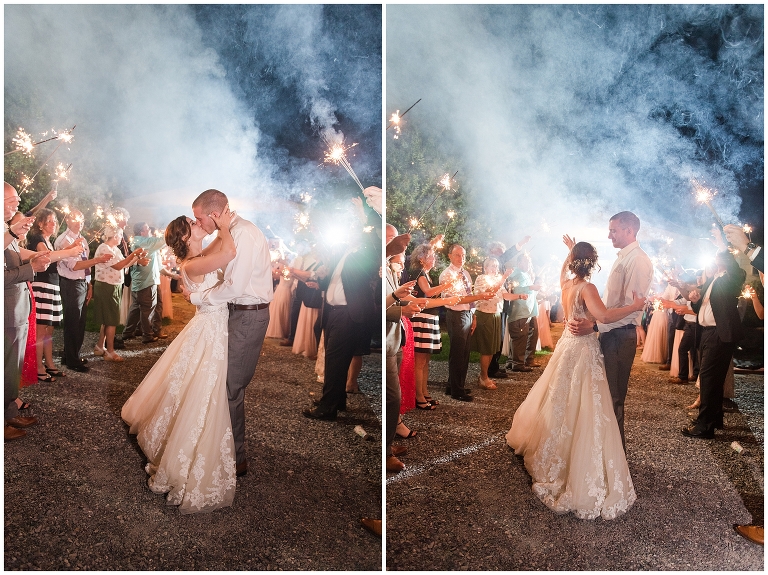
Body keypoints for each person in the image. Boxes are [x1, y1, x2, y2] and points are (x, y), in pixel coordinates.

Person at [507, 240, 646, 519]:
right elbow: (604, 315)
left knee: (560, 399)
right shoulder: (588, 288)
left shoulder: (566, 285)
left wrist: (568, 252)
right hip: (582, 348)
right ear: (593, 263)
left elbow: (563, 273)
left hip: (566, 346)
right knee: (583, 404)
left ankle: (556, 450)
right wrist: (636, 306)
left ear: (572, 262)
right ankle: (576, 461)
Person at [122, 209, 238, 513]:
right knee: (203, 390)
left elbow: (217, 248)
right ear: (184, 237)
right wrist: (225, 225)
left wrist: (219, 227)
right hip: (210, 330)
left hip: (210, 327)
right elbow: (229, 250)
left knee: (194, 386)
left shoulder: (196, 255)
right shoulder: (194, 263)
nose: (197, 222)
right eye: (191, 223)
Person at [183, 189, 273, 477]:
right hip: (234, 314)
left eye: (198, 217)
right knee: (222, 383)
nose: (198, 223)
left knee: (231, 387)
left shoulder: (243, 233)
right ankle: (221, 447)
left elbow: (234, 287)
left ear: (213, 214)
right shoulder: (228, 233)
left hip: (248, 316)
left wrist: (197, 299)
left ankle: (236, 458)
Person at [566, 211, 653, 450]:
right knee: (602, 395)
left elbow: (630, 309)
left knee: (613, 398)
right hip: (610, 332)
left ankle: (616, 459)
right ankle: (603, 452)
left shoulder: (637, 260)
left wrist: (595, 325)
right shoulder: (624, 257)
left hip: (620, 334)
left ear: (629, 230)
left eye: (614, 230)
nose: (609, 234)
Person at [682, 248, 745, 439]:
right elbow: (703, 305)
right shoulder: (713, 279)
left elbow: (735, 270)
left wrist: (723, 249)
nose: (715, 258)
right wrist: (694, 300)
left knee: (709, 379)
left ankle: (704, 426)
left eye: (719, 255)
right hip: (707, 333)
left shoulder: (733, 276)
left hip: (720, 333)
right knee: (714, 379)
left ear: (725, 259)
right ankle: (714, 418)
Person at [4, 182, 48, 440]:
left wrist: (37, 260)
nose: (16, 205)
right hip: (6, 311)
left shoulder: (6, 231)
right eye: (10, 200)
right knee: (4, 368)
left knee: (13, 368)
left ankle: (9, 413)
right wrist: (31, 270)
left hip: (17, 310)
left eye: (17, 201)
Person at [27, 209, 86, 380]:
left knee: (49, 329)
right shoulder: (37, 239)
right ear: (40, 224)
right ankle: (38, 367)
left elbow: (54, 257)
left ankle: (50, 364)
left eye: (54, 221)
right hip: (42, 285)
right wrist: (70, 250)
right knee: (41, 330)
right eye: (50, 221)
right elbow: (47, 257)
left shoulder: (48, 240)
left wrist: (71, 248)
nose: (54, 224)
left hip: (52, 285)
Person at [55, 209, 113, 372]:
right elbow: (75, 266)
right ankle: (71, 360)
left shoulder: (82, 240)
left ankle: (73, 354)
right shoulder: (64, 240)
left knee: (80, 322)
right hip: (70, 283)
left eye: (81, 219)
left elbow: (84, 264)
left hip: (81, 283)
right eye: (75, 219)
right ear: (67, 221)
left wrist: (89, 285)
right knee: (73, 322)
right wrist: (98, 260)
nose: (79, 222)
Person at [438, 244, 496, 402]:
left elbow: (468, 294)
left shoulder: (465, 273)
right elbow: (456, 300)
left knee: (464, 352)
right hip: (455, 314)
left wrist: (473, 316)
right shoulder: (447, 275)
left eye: (463, 255)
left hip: (466, 314)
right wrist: (480, 297)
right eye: (457, 255)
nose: (461, 258)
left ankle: (456, 384)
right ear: (449, 256)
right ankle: (457, 390)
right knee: (458, 353)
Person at [471, 257, 527, 389]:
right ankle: (483, 377)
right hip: (485, 315)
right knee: (487, 348)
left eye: (496, 266)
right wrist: (504, 277)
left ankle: (484, 376)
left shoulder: (498, 281)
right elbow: (490, 292)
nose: (494, 268)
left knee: (492, 349)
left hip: (496, 315)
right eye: (491, 266)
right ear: (485, 268)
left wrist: (519, 296)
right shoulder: (481, 279)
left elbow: (505, 295)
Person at [93, 226, 145, 361]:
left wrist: (137, 258)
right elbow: (118, 266)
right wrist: (134, 255)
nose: (122, 238)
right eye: (120, 235)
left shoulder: (114, 250)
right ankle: (110, 351)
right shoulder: (104, 248)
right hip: (106, 286)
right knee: (111, 320)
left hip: (113, 285)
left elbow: (124, 264)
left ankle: (100, 346)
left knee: (108, 318)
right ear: (115, 236)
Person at [122, 222, 166, 344]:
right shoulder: (144, 241)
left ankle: (128, 332)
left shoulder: (137, 240)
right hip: (146, 281)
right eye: (147, 229)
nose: (150, 231)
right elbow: (162, 241)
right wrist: (169, 231)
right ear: (142, 232)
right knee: (148, 309)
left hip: (138, 281)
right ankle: (147, 335)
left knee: (136, 308)